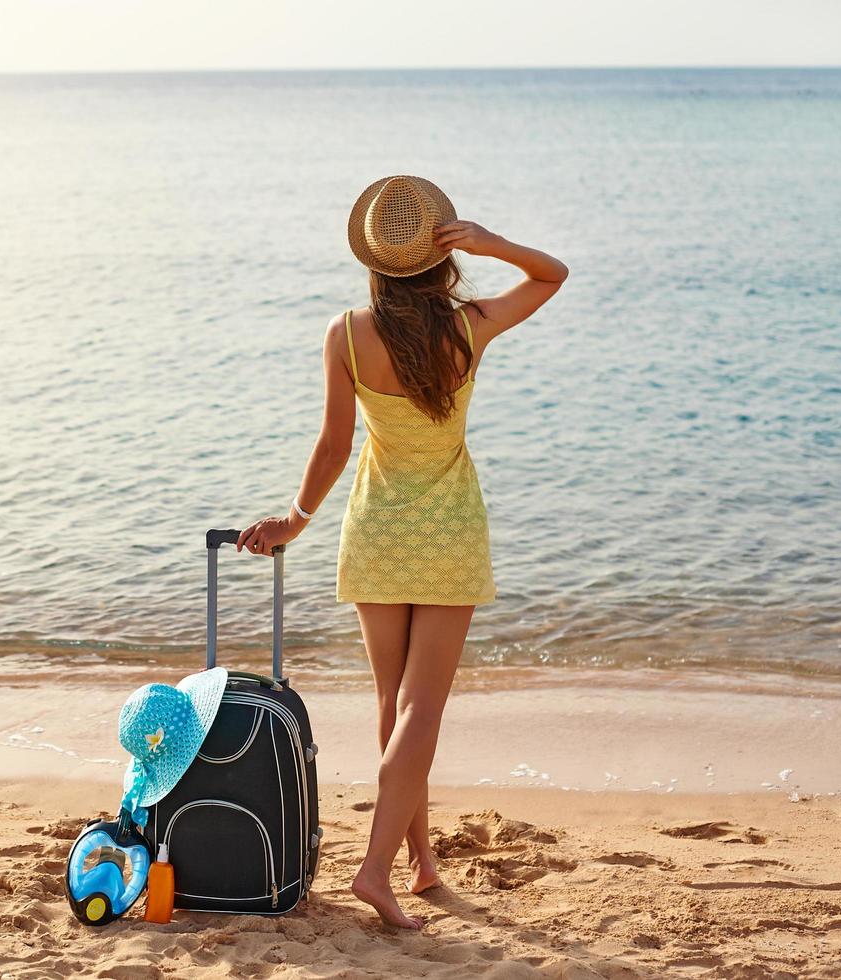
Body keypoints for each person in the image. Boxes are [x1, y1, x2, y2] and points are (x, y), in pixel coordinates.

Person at [236, 175, 568, 928]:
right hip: (448, 533)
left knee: (393, 706)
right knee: (421, 711)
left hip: (376, 530)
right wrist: (492, 243)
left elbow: (332, 446)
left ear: (376, 262)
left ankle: (420, 863)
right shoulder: (469, 325)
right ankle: (376, 870)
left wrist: (294, 518)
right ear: (439, 254)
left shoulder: (347, 333)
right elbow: (552, 274)